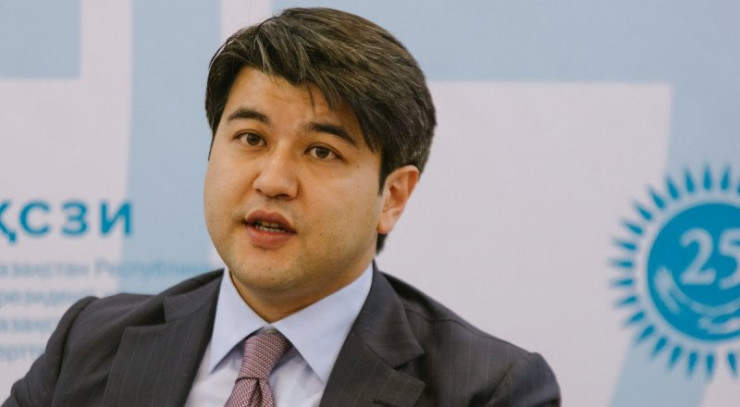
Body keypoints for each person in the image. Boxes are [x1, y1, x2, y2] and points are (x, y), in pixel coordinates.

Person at [4, 7, 560, 407]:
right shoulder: (90, 343)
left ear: (392, 196)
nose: (272, 181)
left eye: (321, 151)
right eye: (250, 138)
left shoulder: (488, 390)